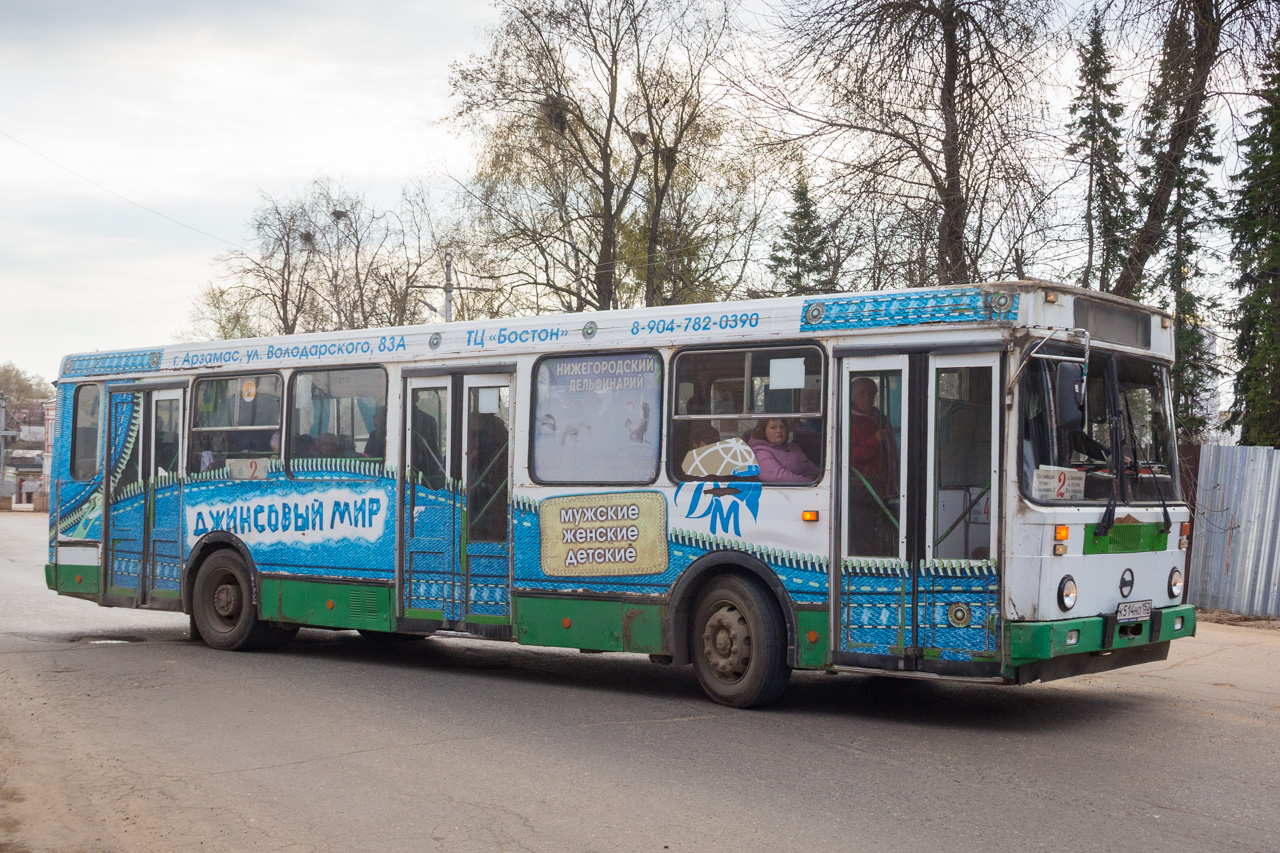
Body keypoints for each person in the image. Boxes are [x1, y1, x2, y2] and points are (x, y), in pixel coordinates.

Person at [848, 376, 898, 557]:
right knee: (865, 535)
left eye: (872, 393)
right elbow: (849, 457)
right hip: (860, 485)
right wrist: (874, 441)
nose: (868, 397)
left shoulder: (878, 417)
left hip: (883, 485)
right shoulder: (849, 419)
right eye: (863, 393)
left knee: (884, 534)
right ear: (854, 396)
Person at [747, 418, 819, 483]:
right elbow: (776, 475)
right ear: (763, 431)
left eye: (782, 427)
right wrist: (808, 482)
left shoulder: (793, 447)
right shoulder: (760, 451)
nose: (779, 430)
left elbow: (810, 467)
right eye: (773, 427)